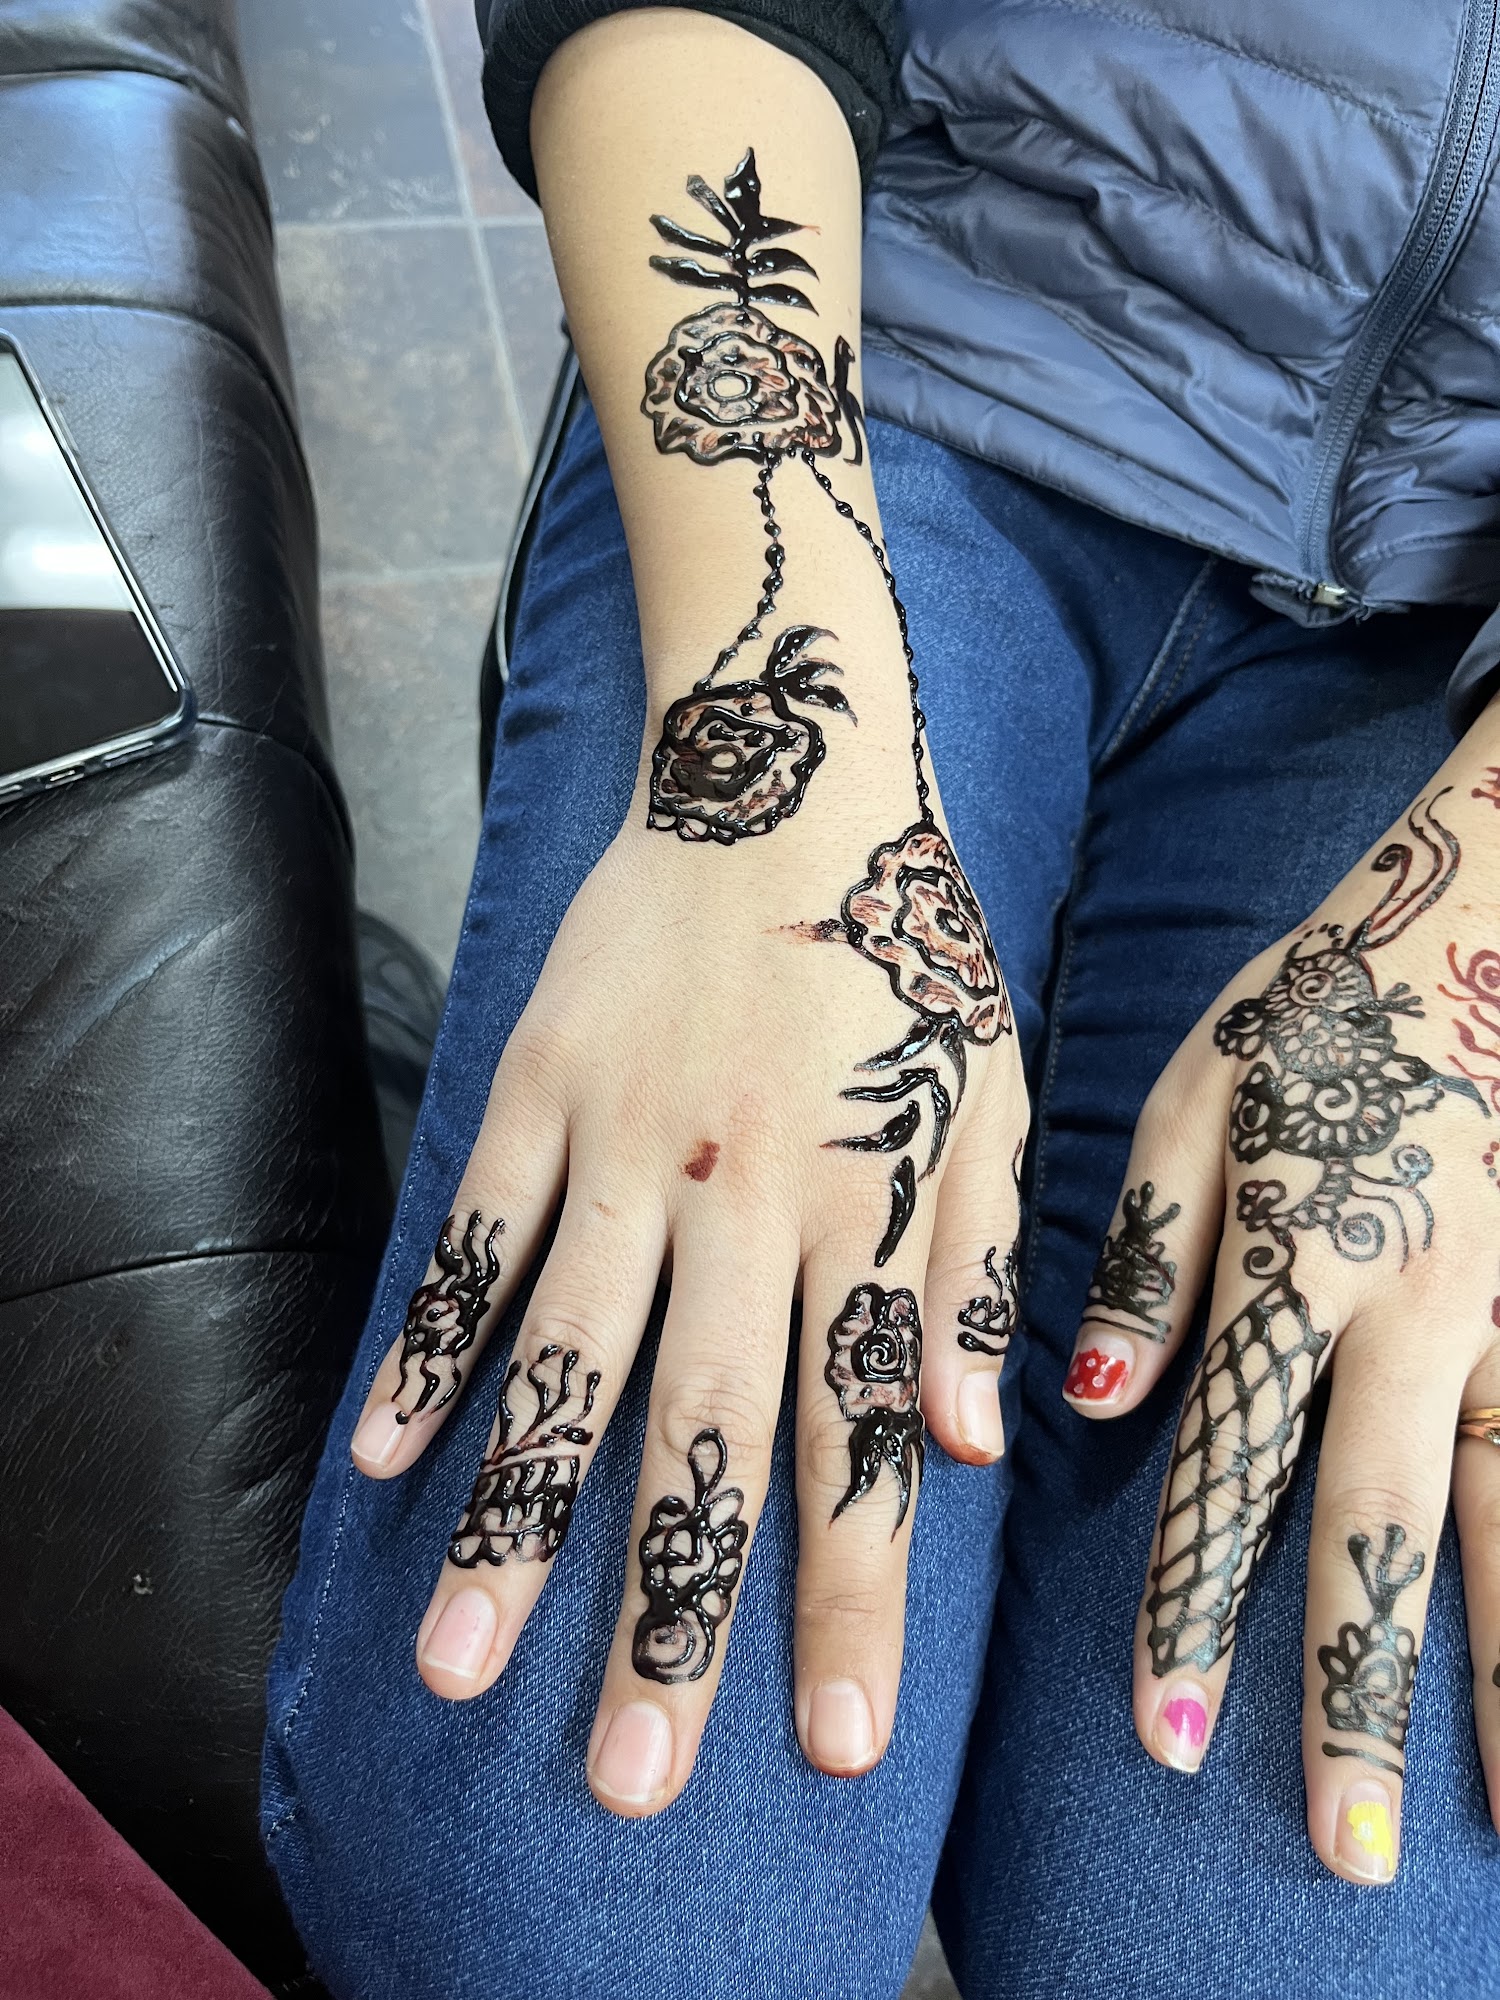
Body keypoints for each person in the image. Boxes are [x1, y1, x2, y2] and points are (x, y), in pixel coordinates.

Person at [261, 6, 1500, 1995]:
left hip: (1453, 660)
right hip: (893, 352)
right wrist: (774, 733)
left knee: (1305, 1951)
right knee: (576, 1925)